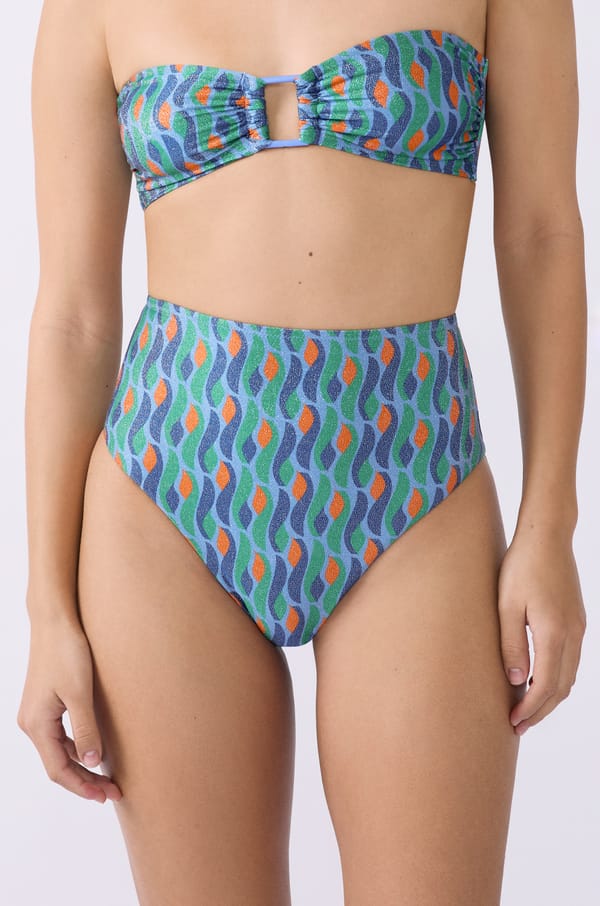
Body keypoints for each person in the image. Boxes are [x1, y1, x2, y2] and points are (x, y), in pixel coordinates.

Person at [17, 0, 587, 903]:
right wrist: (47, 609)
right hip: (166, 494)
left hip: (412, 478)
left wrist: (550, 524)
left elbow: (542, 237)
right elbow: (74, 318)